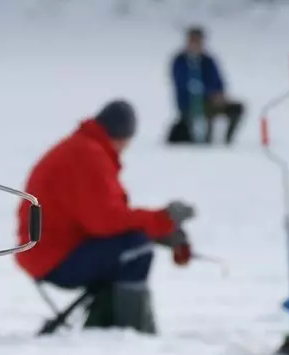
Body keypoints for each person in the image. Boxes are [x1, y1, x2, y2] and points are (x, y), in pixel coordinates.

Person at [14, 100, 196, 334]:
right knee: (137, 250)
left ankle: (105, 324)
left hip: (47, 249)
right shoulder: (88, 155)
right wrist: (162, 220)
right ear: (122, 136)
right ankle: (130, 332)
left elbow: (99, 218)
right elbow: (105, 221)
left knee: (131, 247)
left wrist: (155, 230)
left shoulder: (82, 148)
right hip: (52, 256)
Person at [166, 26, 244, 145]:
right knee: (205, 113)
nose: (196, 44)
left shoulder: (208, 60)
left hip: (211, 101)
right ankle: (204, 139)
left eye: (199, 40)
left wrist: (218, 94)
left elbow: (218, 81)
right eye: (193, 40)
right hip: (190, 104)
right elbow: (184, 83)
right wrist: (207, 93)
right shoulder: (180, 60)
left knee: (237, 108)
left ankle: (227, 140)